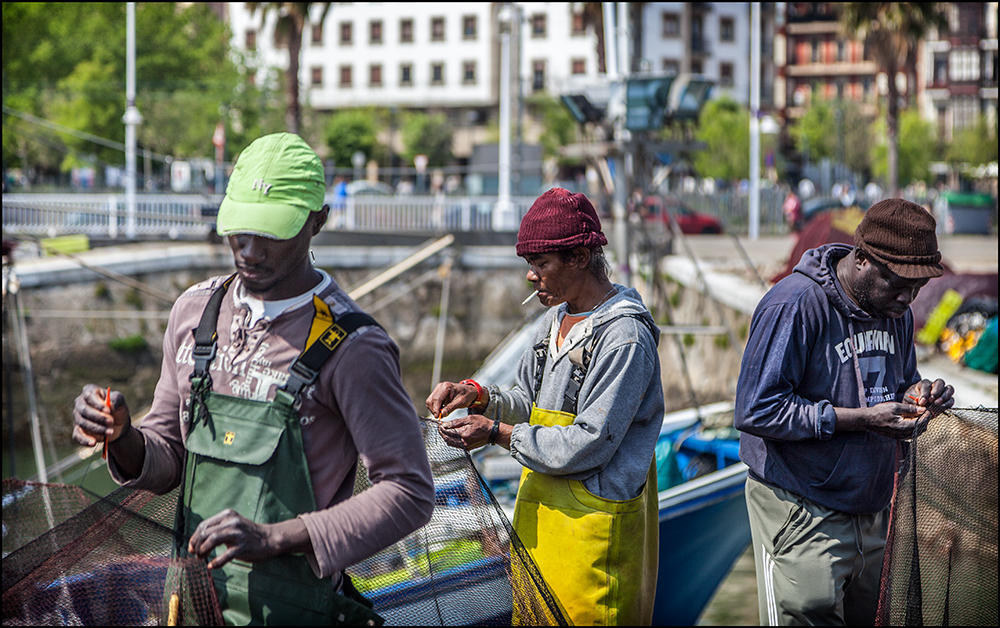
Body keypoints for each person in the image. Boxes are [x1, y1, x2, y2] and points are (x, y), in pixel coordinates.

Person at [72, 132, 435, 625]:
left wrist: (275, 537)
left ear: (317, 221)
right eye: (239, 228)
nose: (249, 250)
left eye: (271, 232)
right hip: (193, 604)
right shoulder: (195, 314)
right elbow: (168, 456)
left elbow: (409, 493)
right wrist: (123, 436)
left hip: (293, 610)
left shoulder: (354, 347)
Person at [426, 188, 664, 625]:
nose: (531, 277)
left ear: (579, 257)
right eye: (529, 265)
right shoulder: (553, 321)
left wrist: (495, 433)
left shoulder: (624, 339)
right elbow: (528, 403)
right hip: (539, 528)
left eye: (541, 264)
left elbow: (588, 444)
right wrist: (476, 394)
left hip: (597, 535)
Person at [734, 198, 955, 626]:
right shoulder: (794, 305)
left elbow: (900, 382)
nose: (907, 298)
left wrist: (919, 395)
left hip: (871, 510)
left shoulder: (896, 312)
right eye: (898, 284)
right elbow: (756, 409)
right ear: (861, 260)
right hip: (801, 508)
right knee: (807, 613)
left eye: (918, 288)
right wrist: (860, 418)